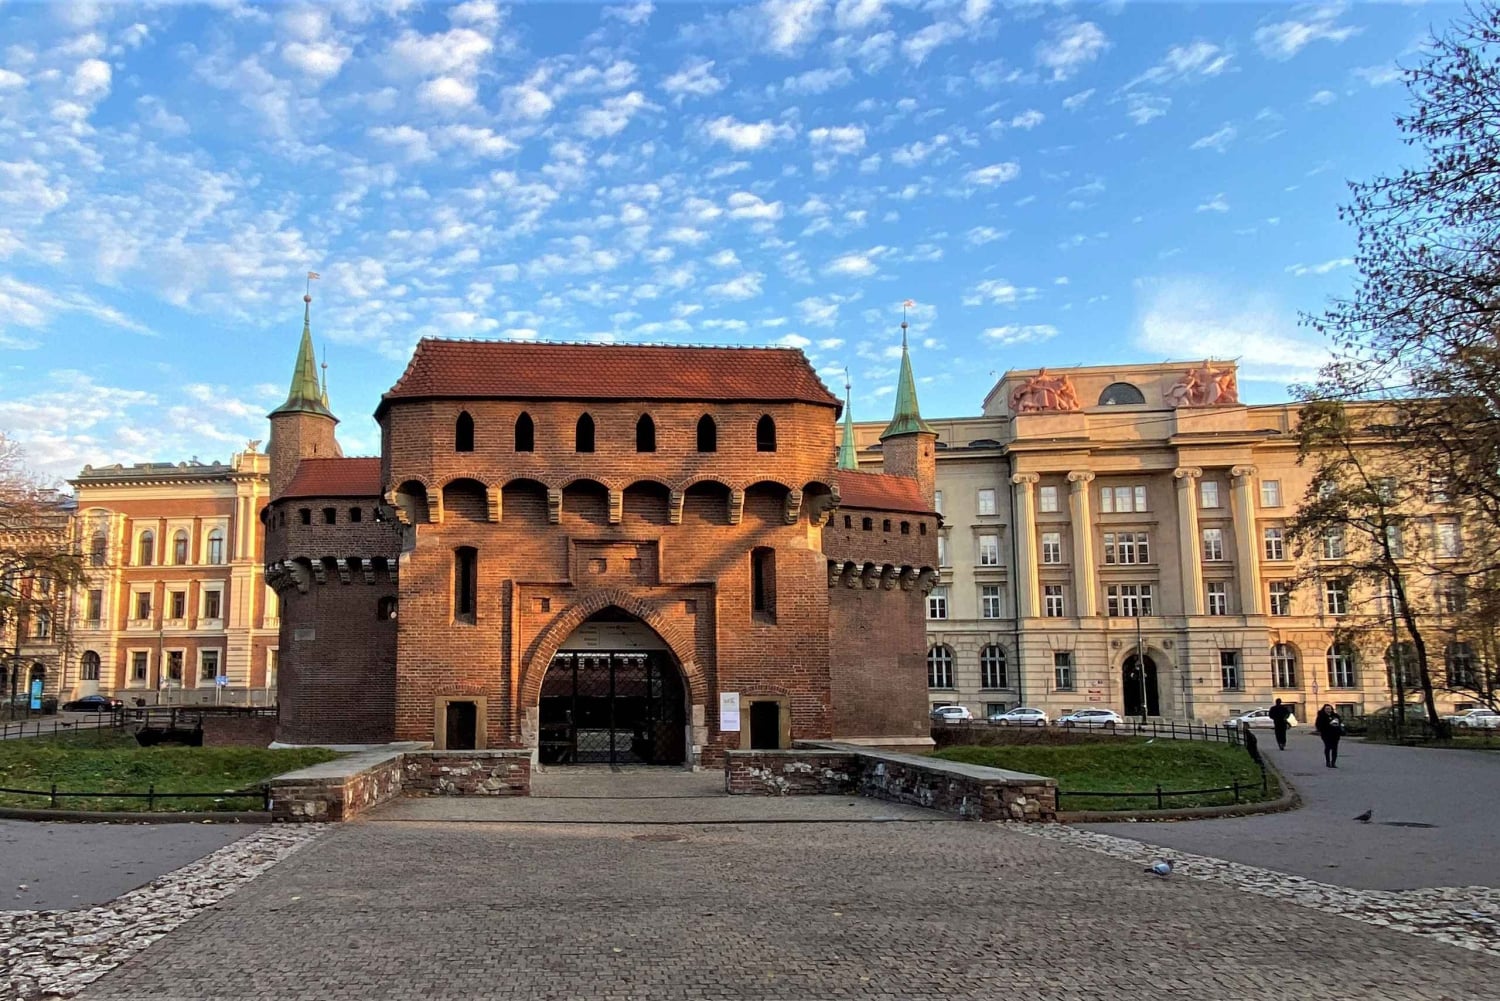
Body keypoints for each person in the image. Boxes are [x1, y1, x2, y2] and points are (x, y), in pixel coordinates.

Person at [1314, 703, 1344, 768]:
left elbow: (1340, 722)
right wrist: (1327, 725)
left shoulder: (1335, 715)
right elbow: (1318, 725)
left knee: (1335, 748)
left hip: (1335, 734)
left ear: (1331, 709)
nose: (1328, 710)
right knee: (1328, 747)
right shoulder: (1321, 716)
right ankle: (1328, 762)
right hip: (1326, 734)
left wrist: (1339, 726)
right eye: (1326, 709)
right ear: (1324, 709)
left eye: (1329, 709)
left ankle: (1333, 763)